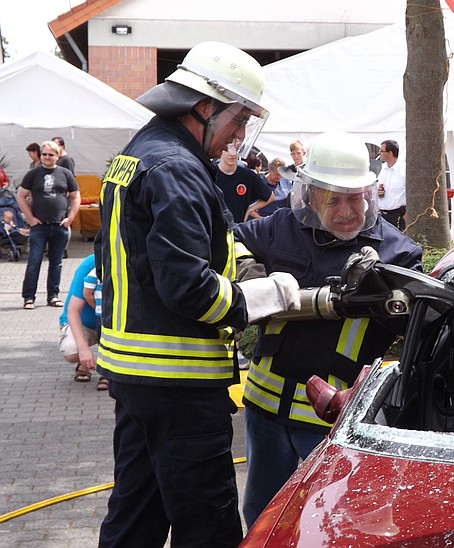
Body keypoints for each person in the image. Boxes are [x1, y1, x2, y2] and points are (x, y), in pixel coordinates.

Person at [95, 41, 300, 547]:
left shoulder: (136, 156)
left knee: (136, 515)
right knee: (206, 524)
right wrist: (264, 297)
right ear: (205, 106)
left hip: (133, 374)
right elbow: (188, 287)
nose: (240, 135)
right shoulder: (179, 170)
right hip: (180, 381)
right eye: (238, 119)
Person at [234, 130, 423, 529]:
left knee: (329, 521)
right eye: (333, 199)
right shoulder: (281, 227)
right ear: (311, 195)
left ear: (370, 194)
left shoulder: (398, 252)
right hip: (265, 411)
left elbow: (420, 336)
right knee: (262, 517)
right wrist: (249, 276)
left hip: (334, 419)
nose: (345, 211)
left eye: (354, 197)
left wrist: (388, 299)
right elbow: (230, 240)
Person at [17, 140, 80, 310]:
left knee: (56, 263)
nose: (47, 157)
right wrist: (30, 218)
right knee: (34, 262)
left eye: (50, 154)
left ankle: (53, 296)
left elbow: (75, 196)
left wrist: (70, 218)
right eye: (44, 154)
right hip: (39, 227)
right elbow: (20, 196)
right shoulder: (33, 174)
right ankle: (29, 298)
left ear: (57, 156)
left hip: (59, 226)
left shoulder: (65, 174)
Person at [59, 253, 108, 390]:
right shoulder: (91, 263)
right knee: (72, 350)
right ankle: (83, 360)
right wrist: (83, 350)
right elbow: (73, 310)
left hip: (112, 324)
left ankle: (109, 371)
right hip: (85, 323)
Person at [214, 143, 273, 222]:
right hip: (213, 229)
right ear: (220, 151)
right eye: (228, 150)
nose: (232, 153)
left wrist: (249, 209)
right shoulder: (210, 173)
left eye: (236, 150)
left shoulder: (247, 175)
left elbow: (270, 196)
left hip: (237, 229)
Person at [376, 139, 407, 230]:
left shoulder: (404, 170)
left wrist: (407, 214)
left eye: (381, 151)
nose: (379, 153)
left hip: (398, 215)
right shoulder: (381, 169)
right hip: (381, 214)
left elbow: (411, 193)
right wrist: (377, 191)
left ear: (390, 153)